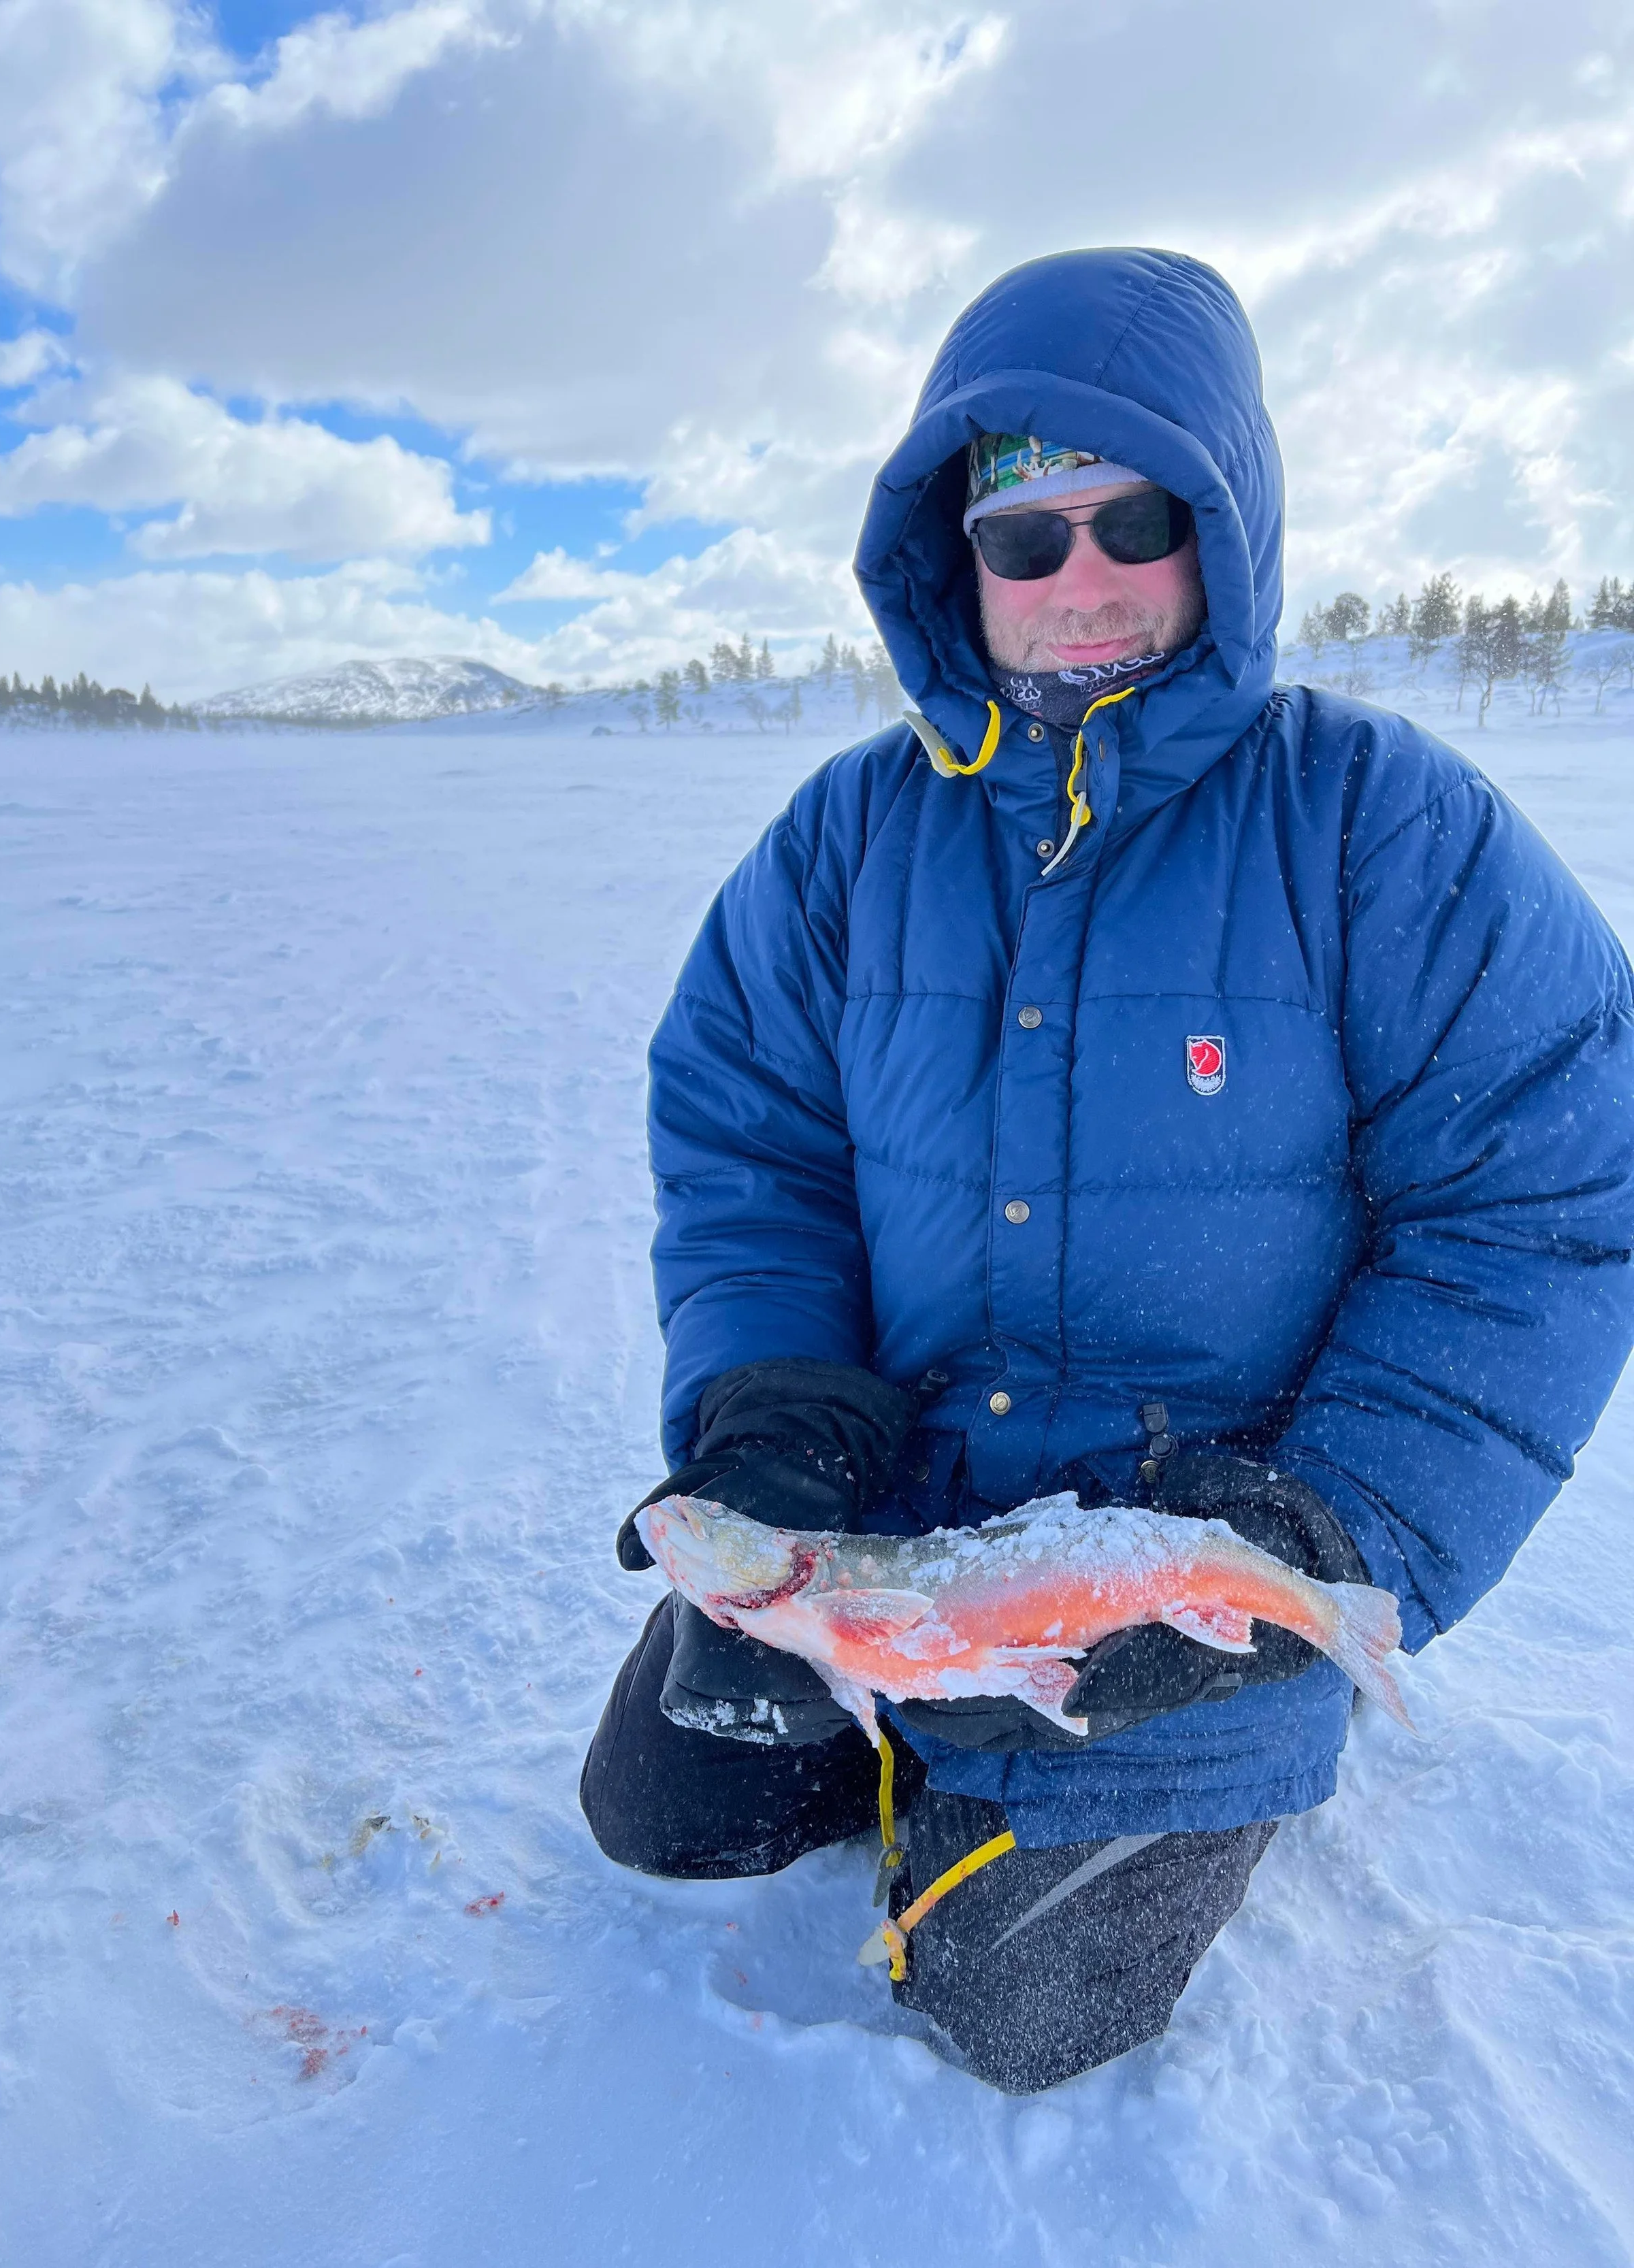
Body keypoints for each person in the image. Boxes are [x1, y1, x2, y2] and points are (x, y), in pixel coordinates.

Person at [580, 247, 1634, 2093]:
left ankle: (1203, 1731)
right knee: (663, 1811)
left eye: (1128, 519)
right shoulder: (847, 835)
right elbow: (750, 1145)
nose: (1077, 582)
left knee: (1014, 2008)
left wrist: (1318, 1538)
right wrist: (770, 1413)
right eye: (1021, 539)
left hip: (1185, 1557)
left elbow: (1544, 1198)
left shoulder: (1380, 823)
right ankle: (913, 1706)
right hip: (897, 1523)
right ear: (948, 561)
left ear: (1219, 528)